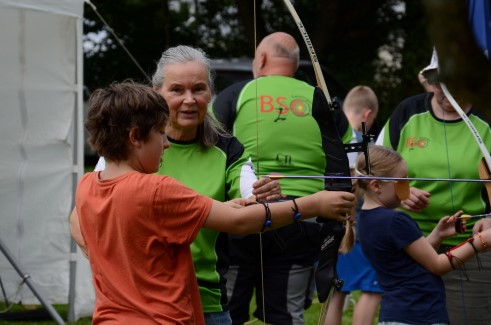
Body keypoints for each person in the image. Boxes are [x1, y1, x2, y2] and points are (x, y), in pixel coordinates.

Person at [70, 81, 355, 325]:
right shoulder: (157, 188)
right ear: (135, 137)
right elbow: (241, 223)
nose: (166, 143)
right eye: (160, 133)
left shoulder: (86, 185)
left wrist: (228, 207)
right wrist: (313, 204)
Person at [90, 45, 284, 325]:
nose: (189, 100)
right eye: (177, 90)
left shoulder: (227, 149)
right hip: (139, 301)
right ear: (156, 92)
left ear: (211, 93)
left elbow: (249, 195)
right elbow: (85, 216)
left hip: (206, 301)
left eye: (199, 89)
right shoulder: (130, 144)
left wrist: (262, 194)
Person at [212, 32, 352, 325]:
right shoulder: (321, 100)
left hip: (245, 215)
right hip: (305, 216)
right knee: (286, 315)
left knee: (229, 310)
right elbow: (347, 162)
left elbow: (210, 148)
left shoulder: (236, 94)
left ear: (261, 59)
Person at [376, 51, 491, 324]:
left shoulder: (486, 118)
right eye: (439, 83)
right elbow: (372, 169)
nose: (445, 92)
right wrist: (402, 193)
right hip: (411, 246)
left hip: (472, 248)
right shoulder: (408, 112)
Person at [355, 145, 491, 325]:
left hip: (396, 314)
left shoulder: (365, 218)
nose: (408, 186)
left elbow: (411, 261)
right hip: (419, 315)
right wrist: (479, 241)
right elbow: (436, 265)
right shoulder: (395, 221)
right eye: (402, 181)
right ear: (377, 185)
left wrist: (438, 234)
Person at [325, 85, 381, 325]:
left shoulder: (326, 136)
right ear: (368, 114)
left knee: (337, 290)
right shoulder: (363, 146)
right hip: (356, 228)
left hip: (328, 226)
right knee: (371, 289)